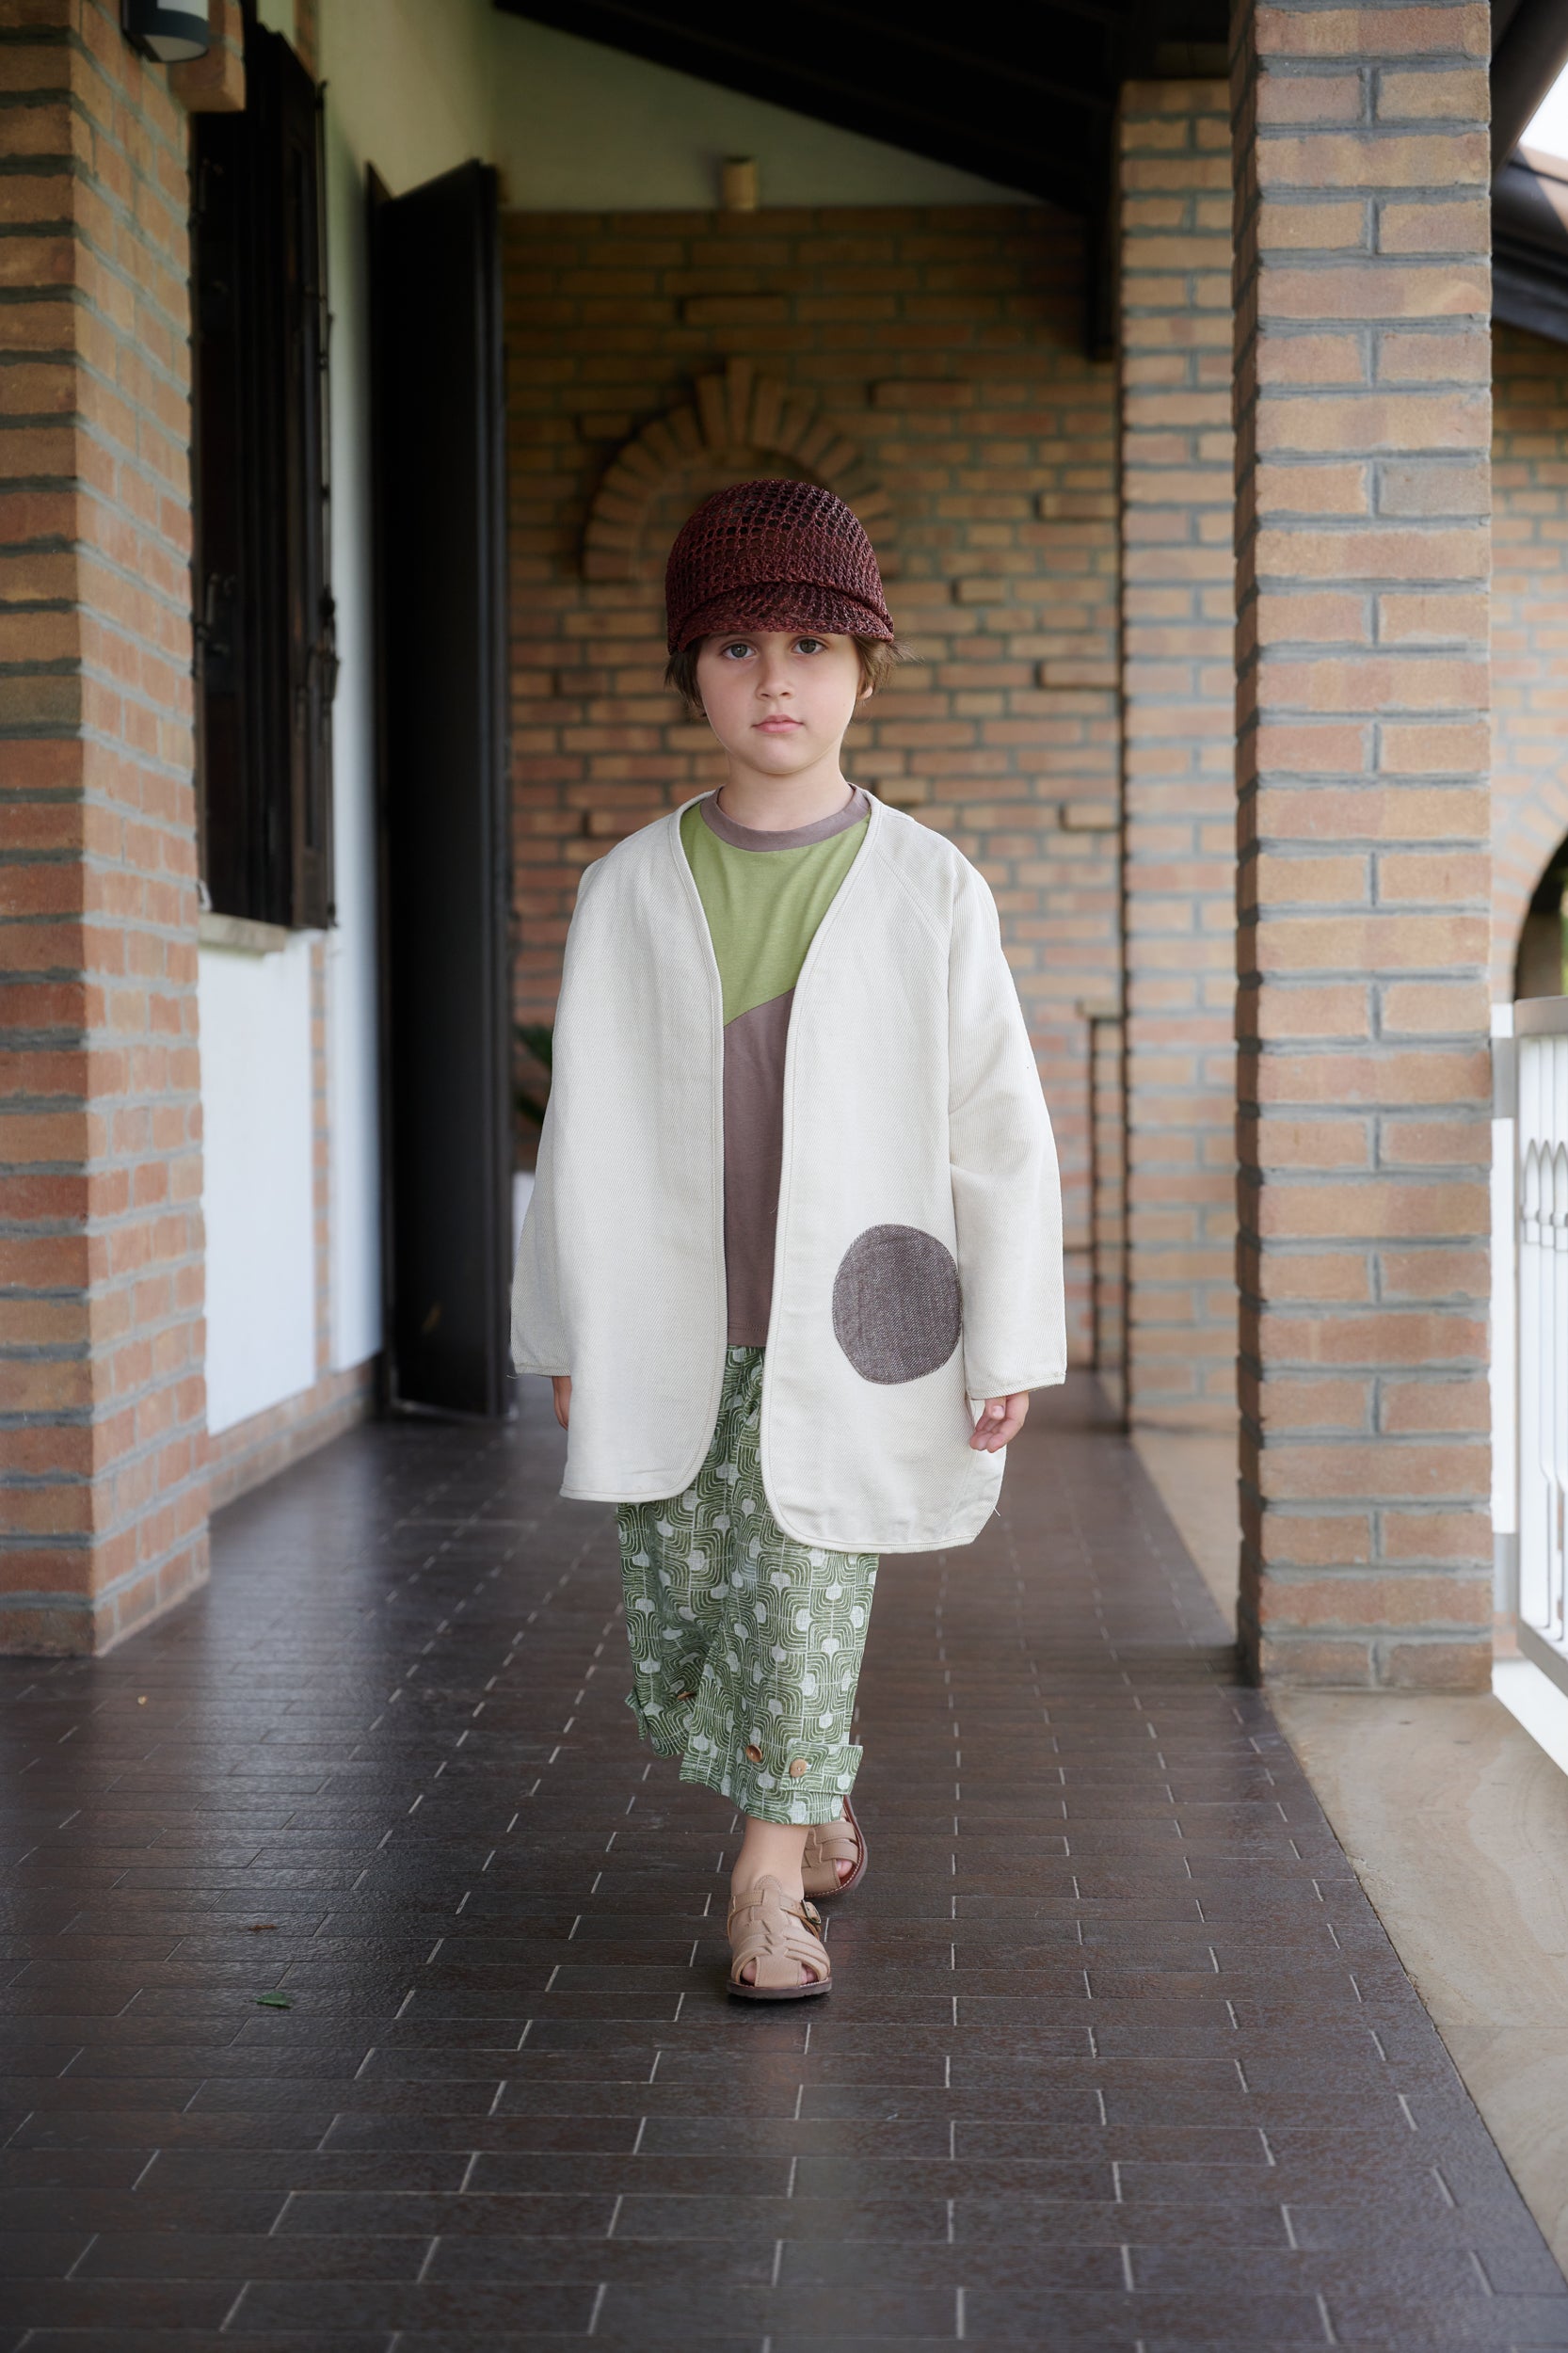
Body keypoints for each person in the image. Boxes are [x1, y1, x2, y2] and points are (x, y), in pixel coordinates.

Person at [511, 478, 1064, 2000]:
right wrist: (563, 1331)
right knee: (693, 1612)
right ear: (690, 673)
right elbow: (581, 1131)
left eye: (813, 645)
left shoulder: (928, 885)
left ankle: (763, 1886)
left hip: (859, 1312)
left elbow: (996, 1127)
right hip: (673, 1317)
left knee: (810, 1574)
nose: (776, 678)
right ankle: (810, 1794)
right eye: (737, 645)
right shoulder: (628, 887)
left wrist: (1009, 1335)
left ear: (864, 672)